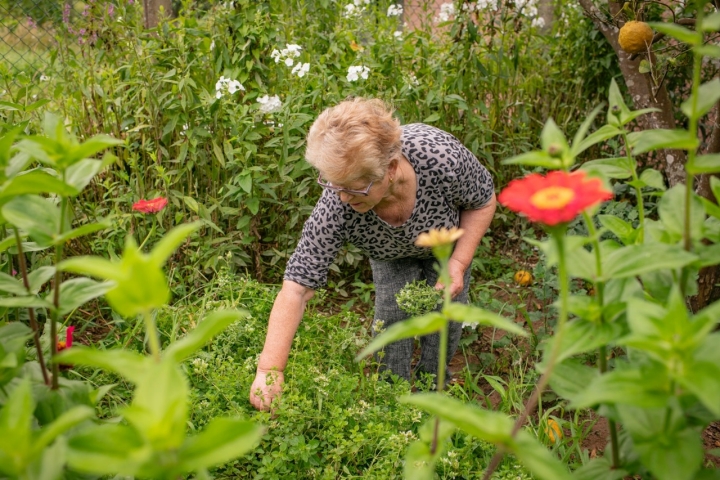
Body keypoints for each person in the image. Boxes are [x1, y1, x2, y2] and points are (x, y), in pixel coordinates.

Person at [249, 97, 496, 411]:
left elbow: (483, 202)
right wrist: (269, 370)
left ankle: (434, 391)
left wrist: (459, 263)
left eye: (353, 187)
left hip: (447, 247)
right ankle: (393, 401)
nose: (340, 196)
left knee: (446, 318)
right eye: (333, 183)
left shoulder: (440, 158)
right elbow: (296, 288)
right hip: (389, 254)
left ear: (390, 169)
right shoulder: (337, 204)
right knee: (391, 320)